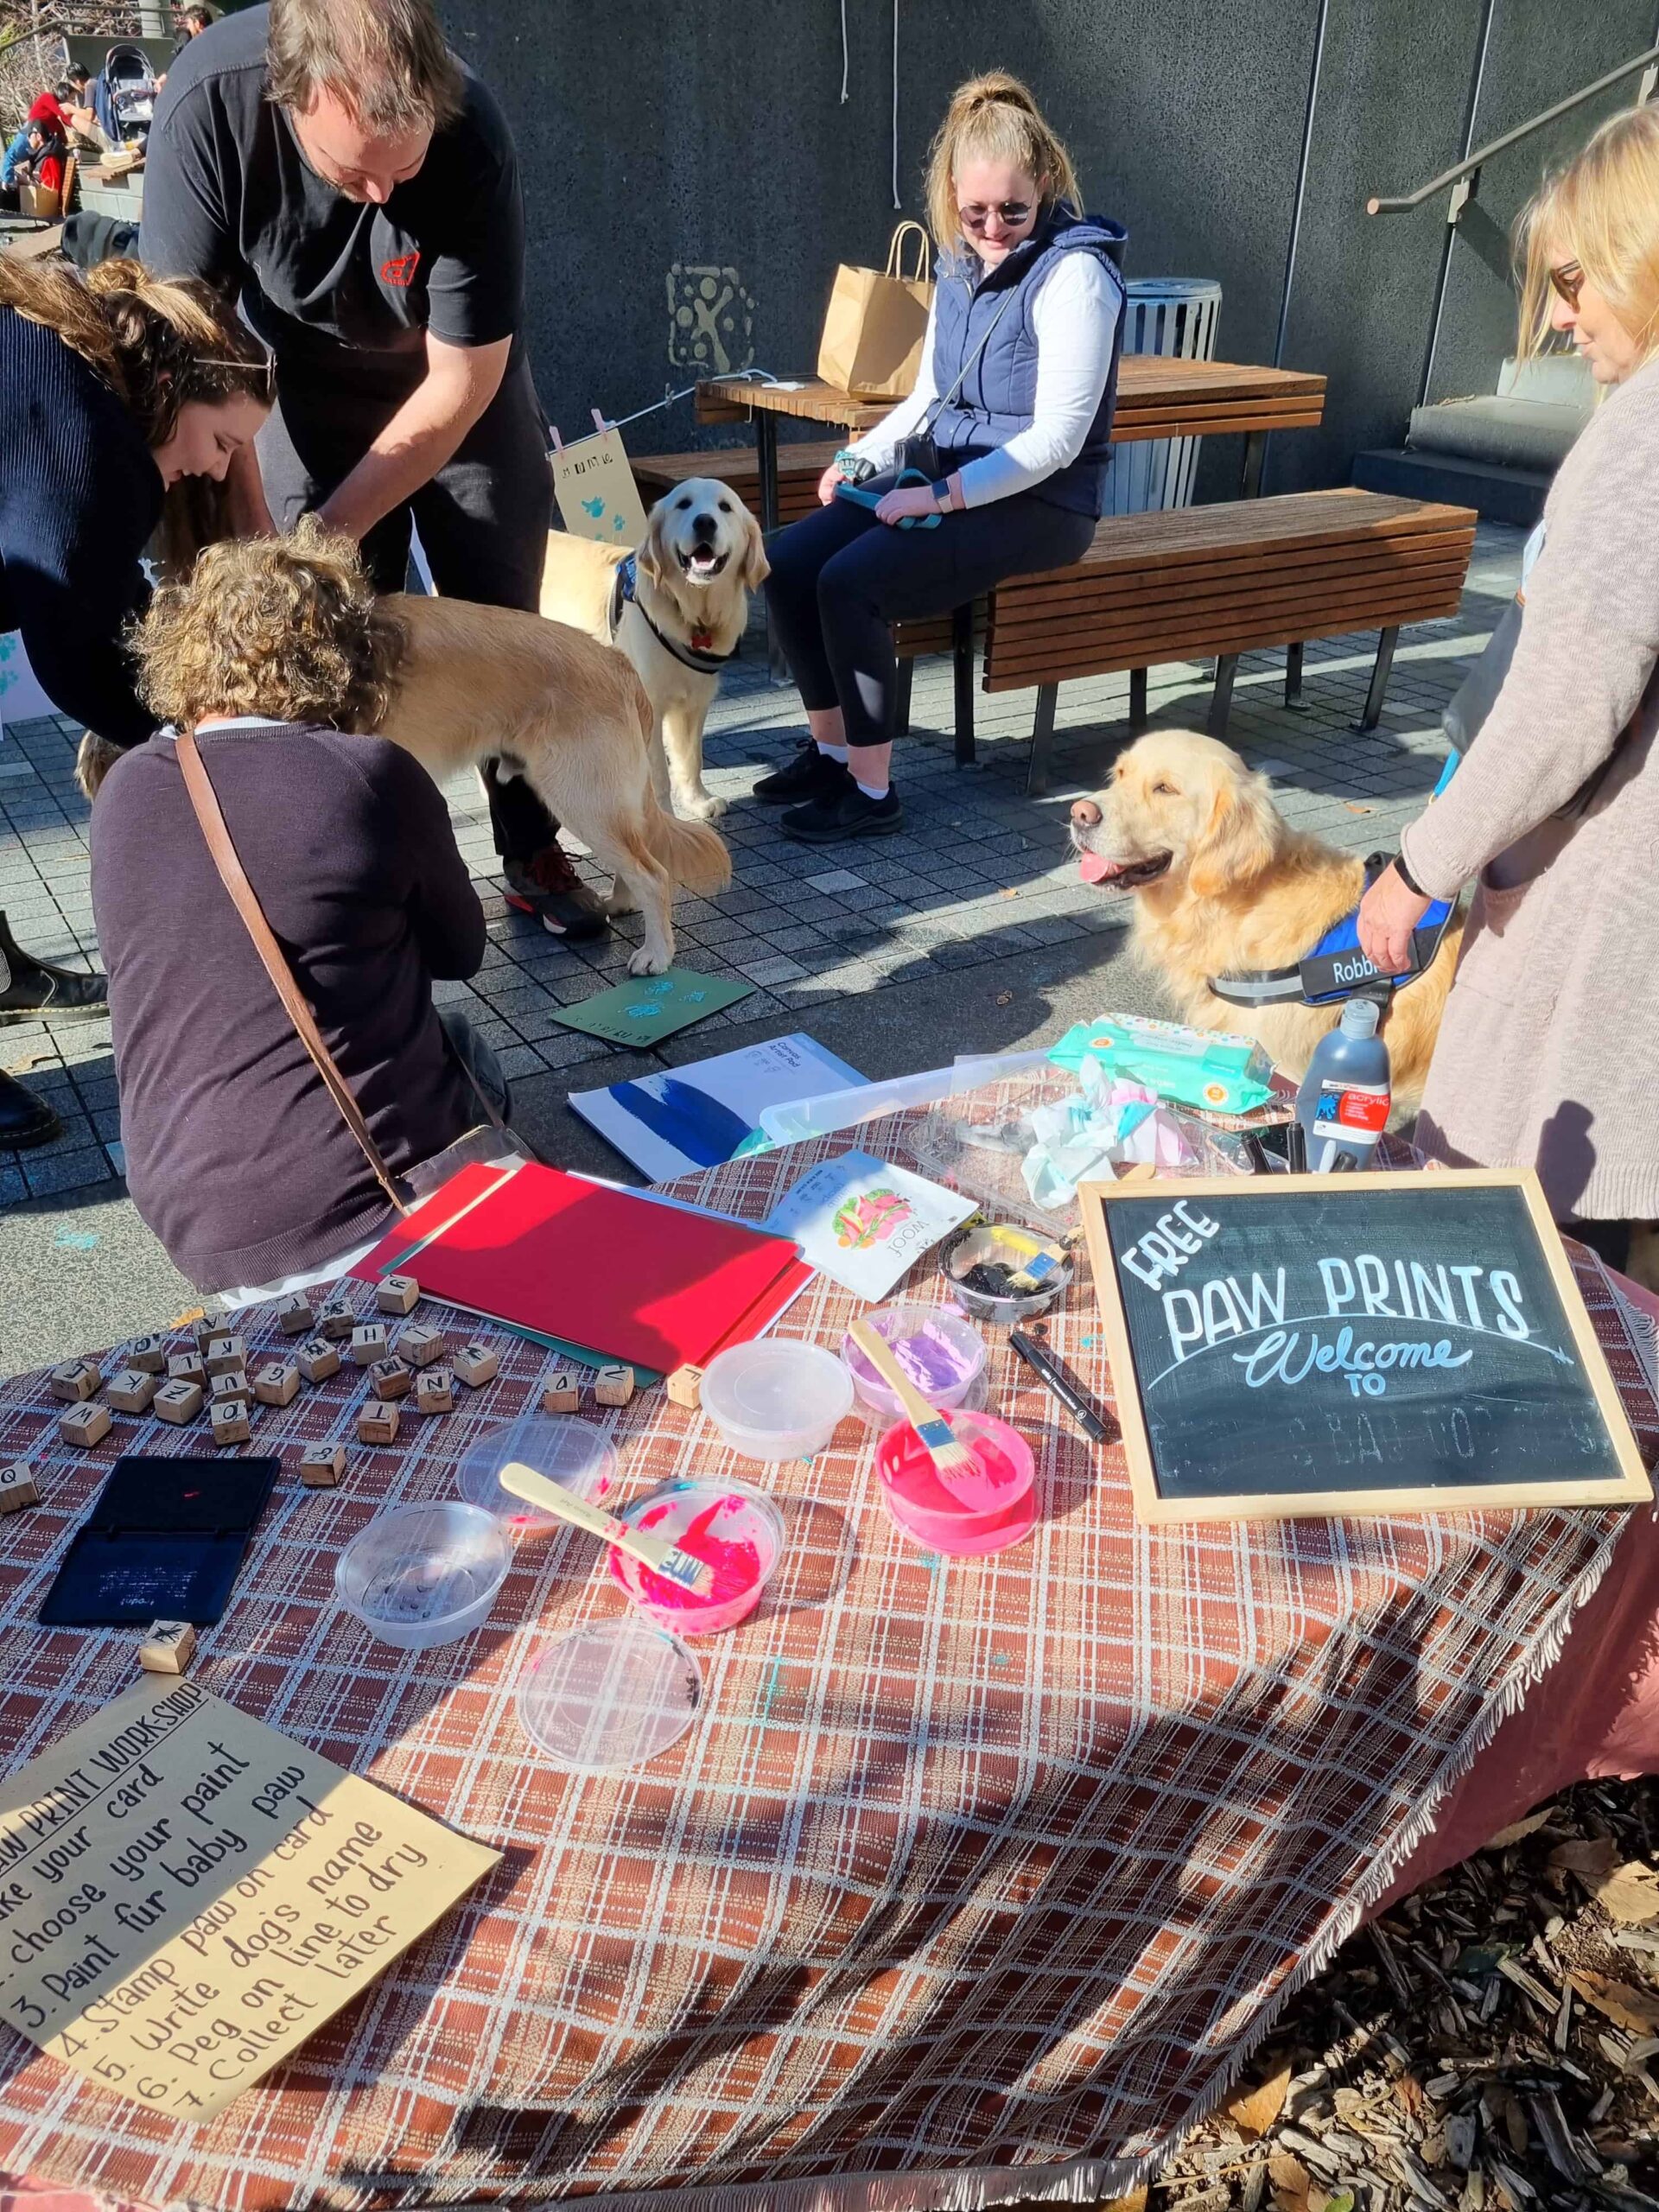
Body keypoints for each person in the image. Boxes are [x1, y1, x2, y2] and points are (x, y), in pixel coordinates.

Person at [138, 0, 607, 943]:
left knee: (503, 620)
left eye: (405, 169)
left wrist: (325, 535)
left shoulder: (472, 135)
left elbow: (463, 377)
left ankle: (529, 846)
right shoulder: (211, 111)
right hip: (295, 393)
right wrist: (270, 554)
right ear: (298, 94)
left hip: (462, 393)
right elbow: (187, 363)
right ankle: (356, 866)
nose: (385, 200)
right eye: (355, 174)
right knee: (327, 647)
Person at [1357, 102, 1659, 1268]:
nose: (1560, 316)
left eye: (1577, 277)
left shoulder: (1640, 437)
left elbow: (1569, 697)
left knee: (1540, 1276)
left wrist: (1418, 868)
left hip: (1604, 948)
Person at [93, 524, 514, 1298]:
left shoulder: (125, 787)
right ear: (355, 658)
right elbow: (461, 953)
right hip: (357, 1216)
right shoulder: (370, 774)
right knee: (466, 1051)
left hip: (190, 1212)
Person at [760, 71, 1125, 844]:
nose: (993, 229)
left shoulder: (1078, 276)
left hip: (1044, 502)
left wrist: (940, 498)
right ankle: (830, 752)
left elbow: (1056, 441)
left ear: (1048, 184)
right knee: (787, 562)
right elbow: (930, 392)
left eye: (1014, 212)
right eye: (976, 212)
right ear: (953, 193)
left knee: (850, 583)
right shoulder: (959, 263)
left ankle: (871, 787)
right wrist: (859, 459)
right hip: (950, 472)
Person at [0, 255, 271, 1147]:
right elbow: (76, 648)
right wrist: (186, 748)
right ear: (173, 385)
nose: (216, 470)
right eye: (224, 443)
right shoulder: (94, 445)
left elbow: (107, 600)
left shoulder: (87, 377)